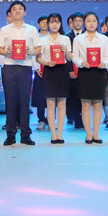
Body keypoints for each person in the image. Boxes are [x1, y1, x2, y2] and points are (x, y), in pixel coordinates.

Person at [0, 1, 41, 146]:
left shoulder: (31, 30)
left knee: (24, 101)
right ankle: (10, 135)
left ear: (25, 12)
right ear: (10, 13)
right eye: (14, 9)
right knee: (10, 102)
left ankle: (25, 135)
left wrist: (31, 51)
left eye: (20, 9)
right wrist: (6, 51)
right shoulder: (4, 30)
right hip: (9, 67)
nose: (17, 11)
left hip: (25, 67)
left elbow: (38, 49)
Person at [72, 12, 108, 144]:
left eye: (94, 21)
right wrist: (81, 63)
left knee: (98, 104)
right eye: (88, 21)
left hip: (99, 73)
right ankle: (88, 135)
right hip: (85, 73)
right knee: (86, 104)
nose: (91, 23)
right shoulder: (78, 39)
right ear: (84, 23)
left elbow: (107, 57)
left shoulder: (104, 39)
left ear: (97, 23)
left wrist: (104, 63)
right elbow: (74, 56)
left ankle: (96, 134)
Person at [37, 13, 72, 144]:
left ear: (60, 24)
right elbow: (38, 58)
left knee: (62, 104)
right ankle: (53, 134)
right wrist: (46, 63)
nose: (54, 24)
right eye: (52, 22)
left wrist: (66, 51)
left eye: (57, 22)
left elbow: (70, 58)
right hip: (49, 71)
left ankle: (60, 134)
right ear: (48, 24)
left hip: (62, 71)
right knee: (50, 104)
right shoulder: (43, 40)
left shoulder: (65, 39)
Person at [65, 12, 85, 129]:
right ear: (72, 23)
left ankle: (83, 119)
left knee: (84, 96)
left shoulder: (87, 35)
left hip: (85, 70)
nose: (77, 23)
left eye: (80, 21)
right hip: (72, 70)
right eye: (75, 21)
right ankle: (76, 118)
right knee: (73, 96)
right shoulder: (67, 36)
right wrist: (70, 70)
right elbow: (66, 56)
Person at [33, 15, 49, 130]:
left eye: (46, 22)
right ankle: (41, 120)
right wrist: (36, 68)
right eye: (42, 22)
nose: (44, 24)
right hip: (39, 71)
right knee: (40, 97)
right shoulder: (35, 38)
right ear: (38, 24)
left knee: (52, 96)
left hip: (51, 70)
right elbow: (33, 54)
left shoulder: (52, 37)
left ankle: (51, 119)